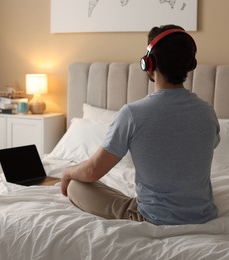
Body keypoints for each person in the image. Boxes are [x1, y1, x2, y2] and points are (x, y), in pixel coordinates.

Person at [60, 24, 220, 225]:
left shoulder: (133, 114)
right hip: (203, 215)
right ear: (190, 65)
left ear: (148, 63)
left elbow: (92, 171)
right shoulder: (207, 112)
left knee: (76, 184)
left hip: (154, 218)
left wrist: (67, 171)